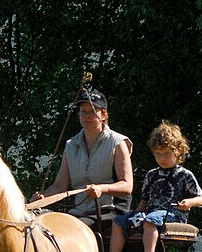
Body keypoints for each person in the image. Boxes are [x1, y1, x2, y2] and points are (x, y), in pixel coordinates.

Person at [105, 121, 202, 252]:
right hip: (148, 213)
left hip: (174, 214)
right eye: (158, 154)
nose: (162, 158)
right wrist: (134, 215)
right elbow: (145, 200)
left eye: (166, 153)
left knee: (149, 221)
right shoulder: (151, 175)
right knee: (118, 223)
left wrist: (189, 203)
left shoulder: (185, 175)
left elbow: (201, 198)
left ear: (178, 150)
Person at [31, 88, 133, 229]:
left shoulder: (117, 142)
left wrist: (102, 189)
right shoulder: (70, 146)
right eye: (83, 112)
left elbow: (127, 185)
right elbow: (60, 185)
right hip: (78, 213)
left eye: (92, 112)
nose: (86, 116)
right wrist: (42, 198)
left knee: (72, 229)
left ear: (103, 115)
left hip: (109, 210)